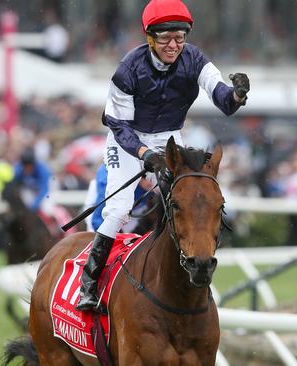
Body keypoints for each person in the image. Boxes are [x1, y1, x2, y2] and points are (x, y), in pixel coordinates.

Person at [76, 0, 250, 311]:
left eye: (180, 38)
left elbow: (222, 100)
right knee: (118, 209)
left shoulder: (195, 59)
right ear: (150, 38)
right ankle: (88, 284)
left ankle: (190, 269)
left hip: (167, 137)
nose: (174, 45)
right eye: (166, 38)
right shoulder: (127, 70)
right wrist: (144, 154)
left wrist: (237, 94)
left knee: (190, 200)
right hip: (126, 139)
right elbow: (118, 124)